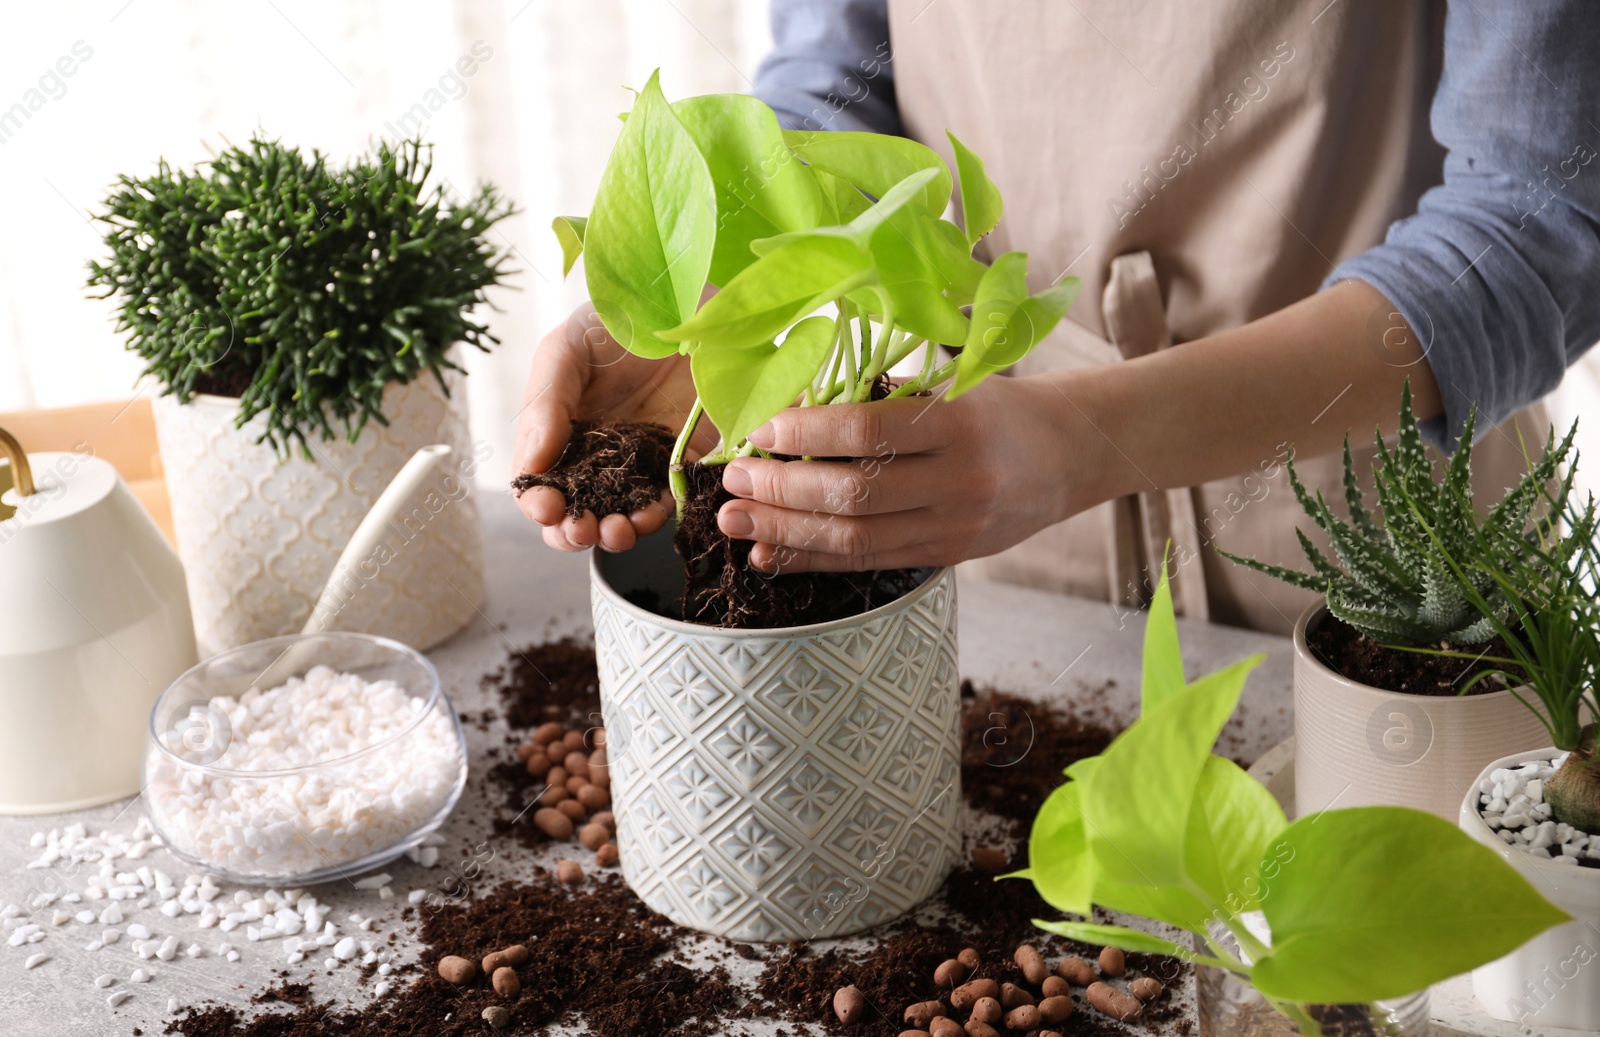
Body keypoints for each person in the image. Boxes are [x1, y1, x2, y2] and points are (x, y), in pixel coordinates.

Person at [514, 0, 1599, 635]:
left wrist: (1091, 437)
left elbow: (1544, 219)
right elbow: (837, 88)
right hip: (966, 505)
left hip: (1368, 526)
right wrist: (710, 309)